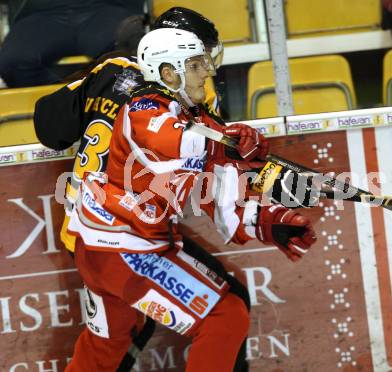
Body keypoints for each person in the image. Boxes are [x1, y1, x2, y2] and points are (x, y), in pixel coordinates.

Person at [64, 27, 317, 371]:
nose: (208, 72)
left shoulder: (190, 116)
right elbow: (177, 143)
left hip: (103, 245)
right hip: (122, 247)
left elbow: (210, 188)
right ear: (168, 73)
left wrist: (268, 219)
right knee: (225, 316)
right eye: (197, 65)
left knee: (108, 343)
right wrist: (226, 144)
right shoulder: (144, 107)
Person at [34, 7, 250, 371]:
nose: (205, 68)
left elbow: (50, 127)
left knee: (114, 336)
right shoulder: (185, 100)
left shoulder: (110, 70)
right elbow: (206, 173)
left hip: (83, 232)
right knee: (225, 311)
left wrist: (93, 85)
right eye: (198, 56)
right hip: (129, 236)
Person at [0, 0, 144, 87]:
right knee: (12, 61)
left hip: (105, 8)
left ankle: (108, 100)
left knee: (134, 51)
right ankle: (65, 99)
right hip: (39, 14)